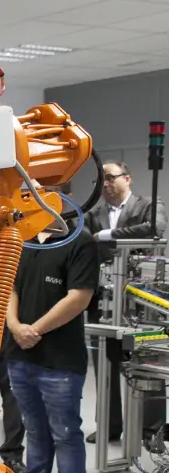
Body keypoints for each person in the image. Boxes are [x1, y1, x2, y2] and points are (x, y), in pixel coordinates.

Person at [4, 220, 99, 473]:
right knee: (34, 429)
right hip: (20, 355)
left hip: (60, 360)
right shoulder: (23, 239)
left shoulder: (80, 241)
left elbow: (79, 298)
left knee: (65, 433)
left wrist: (34, 331)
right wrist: (15, 327)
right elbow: (10, 288)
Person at [83, 161, 168, 446]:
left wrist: (105, 235)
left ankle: (151, 430)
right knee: (104, 364)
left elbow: (155, 228)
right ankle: (109, 426)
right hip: (103, 299)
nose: (105, 184)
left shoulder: (149, 205)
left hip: (141, 299)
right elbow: (84, 243)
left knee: (147, 362)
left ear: (127, 178)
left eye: (109, 178)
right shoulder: (92, 215)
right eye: (100, 180)